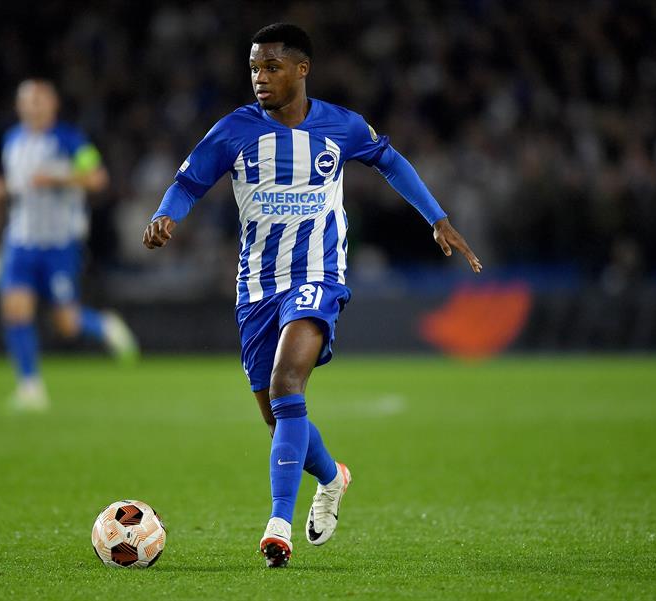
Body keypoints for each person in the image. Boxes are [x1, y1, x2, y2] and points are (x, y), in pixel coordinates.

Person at [143, 24, 482, 567]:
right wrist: (167, 215)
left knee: (286, 382)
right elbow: (188, 183)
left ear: (302, 70)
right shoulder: (232, 131)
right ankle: (332, 476)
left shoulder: (340, 125)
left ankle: (278, 523)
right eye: (254, 68)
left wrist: (437, 219)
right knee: (277, 414)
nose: (260, 78)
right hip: (256, 286)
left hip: (318, 275)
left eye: (272, 67)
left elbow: (390, 160)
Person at [0, 79, 139, 412]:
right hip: (22, 239)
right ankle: (30, 387)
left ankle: (105, 325)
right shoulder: (12, 141)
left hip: (59, 242)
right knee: (14, 308)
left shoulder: (69, 140)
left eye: (39, 100)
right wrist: (1, 190)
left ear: (52, 105)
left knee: (66, 323)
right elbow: (17, 184)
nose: (33, 106)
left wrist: (59, 178)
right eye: (27, 101)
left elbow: (97, 178)